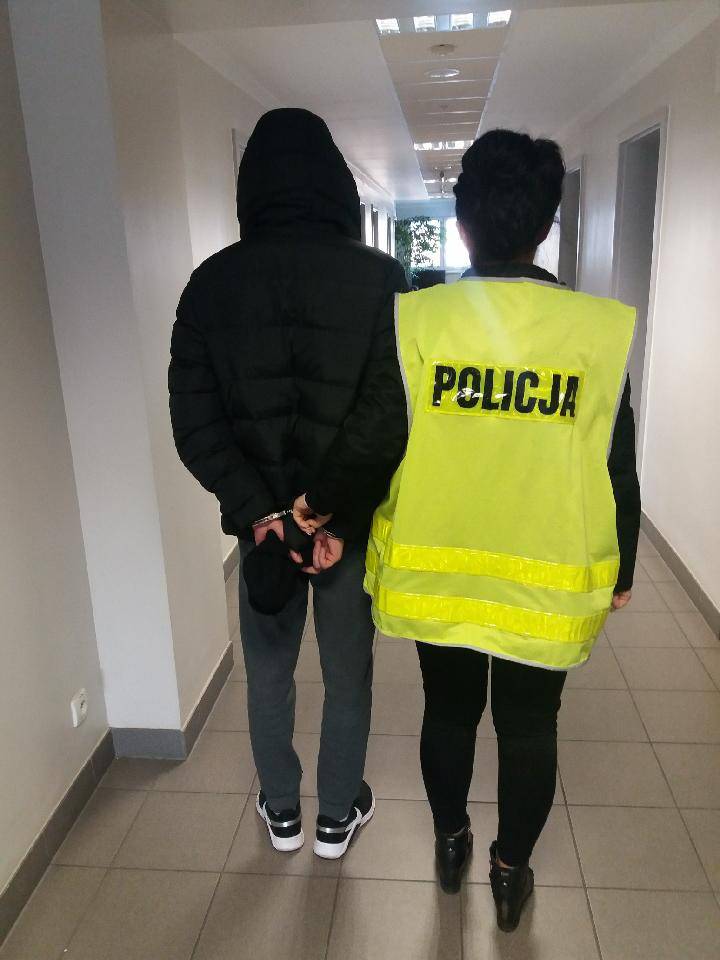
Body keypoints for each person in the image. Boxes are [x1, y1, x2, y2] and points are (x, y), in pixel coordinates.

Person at [295, 129, 640, 930]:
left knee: (448, 713)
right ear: (546, 225)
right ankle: (510, 871)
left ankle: (451, 841)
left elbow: (376, 436)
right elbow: (616, 460)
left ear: (462, 221)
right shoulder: (596, 332)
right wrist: (620, 567)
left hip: (440, 572)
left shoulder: (420, 319)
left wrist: (320, 504)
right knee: (530, 726)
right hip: (546, 575)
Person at [169, 108, 408, 858]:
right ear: (336, 184)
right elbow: (388, 417)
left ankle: (281, 811)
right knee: (347, 672)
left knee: (268, 670)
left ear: (251, 188)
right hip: (343, 529)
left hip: (263, 532)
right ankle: (337, 815)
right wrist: (322, 511)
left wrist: (265, 513)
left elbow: (195, 423)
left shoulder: (209, 286)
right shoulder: (381, 279)